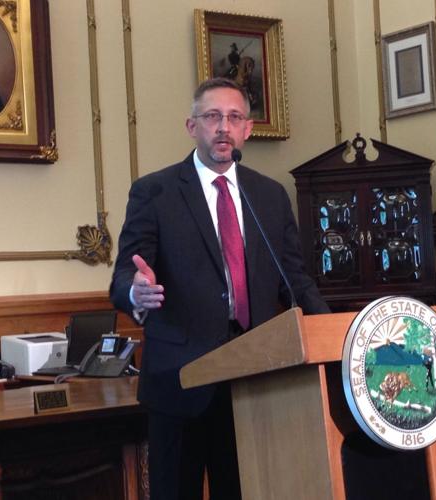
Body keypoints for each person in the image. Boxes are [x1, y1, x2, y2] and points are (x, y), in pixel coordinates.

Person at [110, 77, 329, 500]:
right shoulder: (155, 192)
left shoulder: (269, 195)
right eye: (212, 117)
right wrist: (135, 293)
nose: (223, 127)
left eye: (233, 118)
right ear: (193, 127)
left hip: (256, 382)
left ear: (248, 129)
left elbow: (295, 280)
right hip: (181, 382)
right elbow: (125, 275)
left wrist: (332, 332)